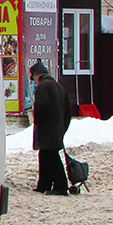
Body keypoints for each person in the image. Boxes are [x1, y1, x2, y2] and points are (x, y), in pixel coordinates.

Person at [30, 61, 72, 195]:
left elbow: (41, 106)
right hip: (57, 129)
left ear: (37, 76)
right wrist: (63, 128)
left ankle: (61, 186)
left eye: (34, 78)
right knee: (45, 156)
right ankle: (44, 184)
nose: (34, 82)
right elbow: (68, 111)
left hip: (47, 130)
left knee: (51, 157)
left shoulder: (43, 87)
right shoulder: (58, 86)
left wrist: (37, 120)